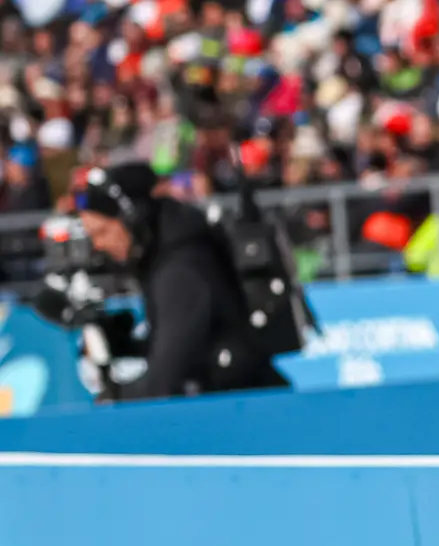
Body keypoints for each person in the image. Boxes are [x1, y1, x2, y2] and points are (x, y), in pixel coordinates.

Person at [71, 162, 296, 400]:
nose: (98, 245)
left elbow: (168, 378)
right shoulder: (166, 254)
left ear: (132, 219)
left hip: (244, 408)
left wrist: (115, 398)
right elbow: (189, 346)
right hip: (236, 400)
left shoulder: (181, 269)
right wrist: (124, 345)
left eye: (103, 231)